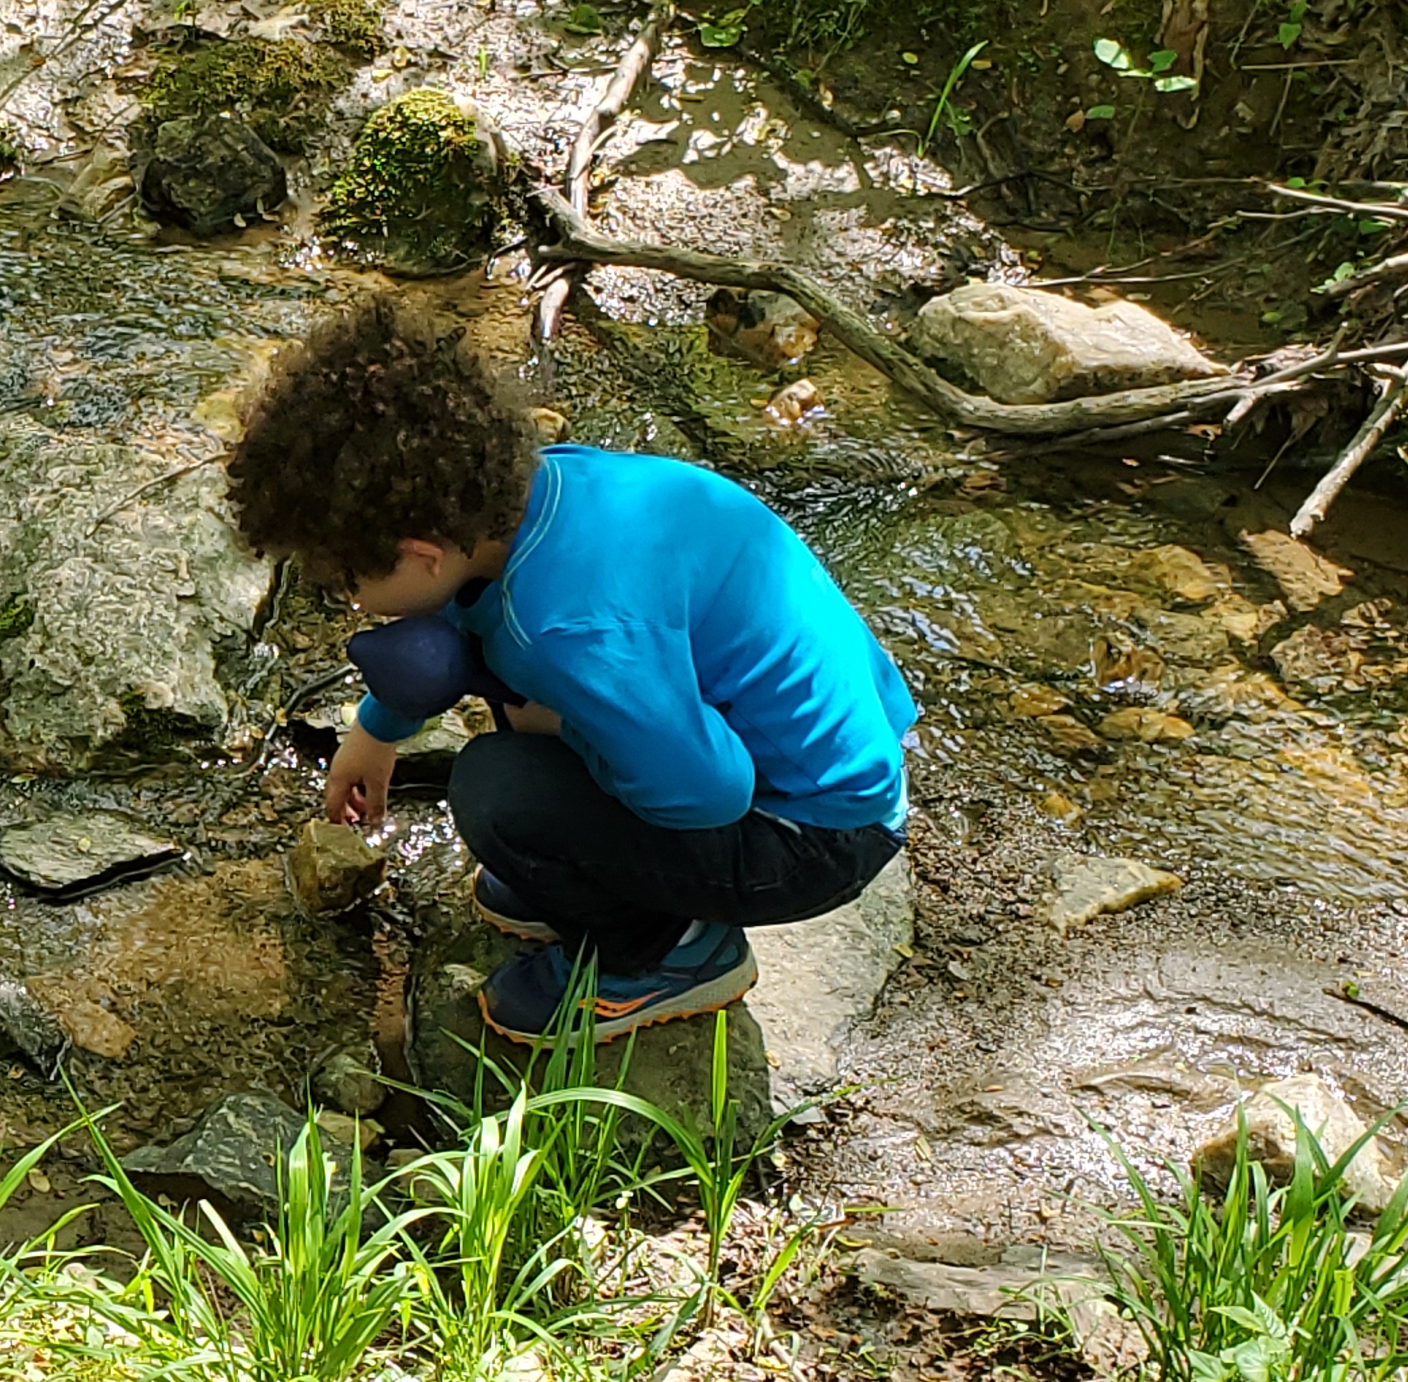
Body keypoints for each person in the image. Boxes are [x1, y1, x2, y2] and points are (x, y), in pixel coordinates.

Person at [221, 288, 918, 1043]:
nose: (347, 602)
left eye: (343, 582)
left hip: (815, 832)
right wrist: (378, 728)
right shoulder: (541, 490)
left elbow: (711, 792)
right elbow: (461, 617)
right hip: (844, 742)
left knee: (493, 789)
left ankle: (670, 952)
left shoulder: (564, 631)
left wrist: (560, 727)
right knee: (511, 689)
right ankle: (595, 871)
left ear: (419, 553)